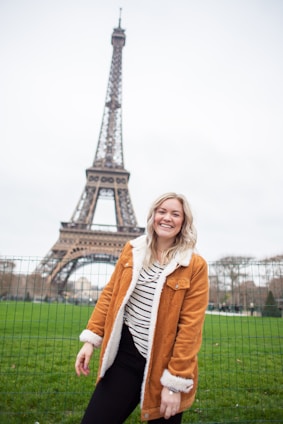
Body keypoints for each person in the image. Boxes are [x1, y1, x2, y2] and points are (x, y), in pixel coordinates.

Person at [75, 192, 209, 423]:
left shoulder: (194, 265)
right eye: (162, 211)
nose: (167, 218)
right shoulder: (132, 250)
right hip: (126, 356)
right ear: (153, 216)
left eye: (175, 214)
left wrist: (175, 384)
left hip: (166, 364)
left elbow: (190, 328)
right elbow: (110, 295)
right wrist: (91, 340)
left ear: (183, 221)